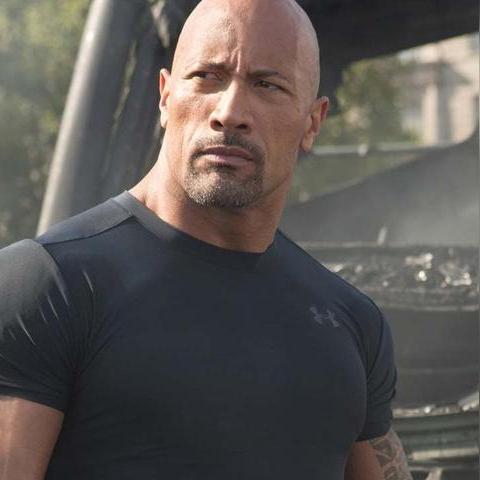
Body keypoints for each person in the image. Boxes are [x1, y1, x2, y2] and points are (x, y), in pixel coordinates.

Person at [0, 0, 412, 478]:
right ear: (164, 97)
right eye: (206, 77)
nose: (230, 112)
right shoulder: (46, 286)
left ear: (312, 123)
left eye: (267, 85)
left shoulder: (352, 323)